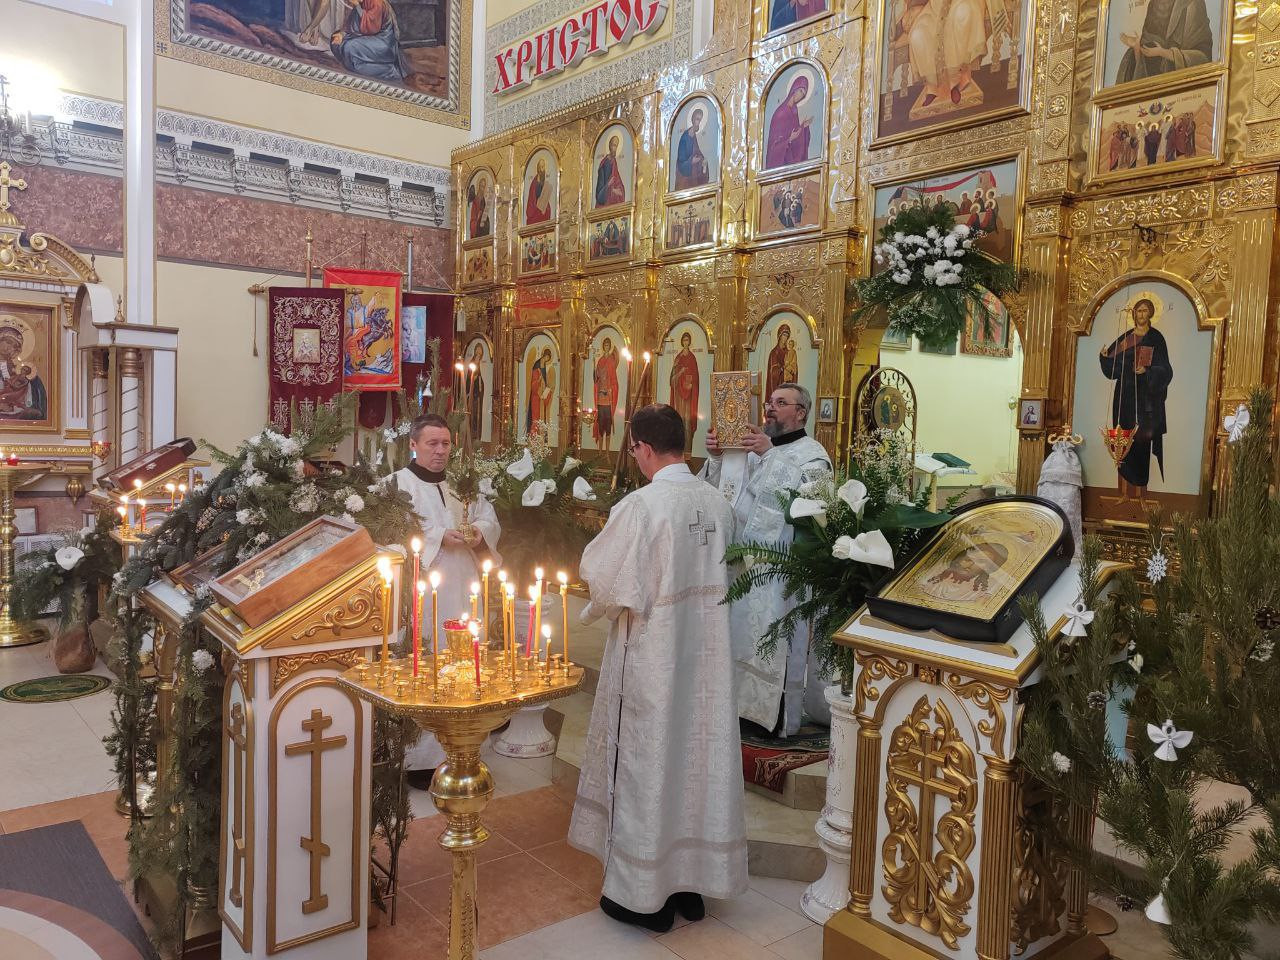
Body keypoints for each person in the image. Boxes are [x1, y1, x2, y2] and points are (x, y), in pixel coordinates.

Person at [570, 404, 747, 932]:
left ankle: (642, 895)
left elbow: (603, 577)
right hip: (707, 660)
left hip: (654, 658)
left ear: (643, 448)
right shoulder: (718, 504)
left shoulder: (641, 506)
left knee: (650, 764)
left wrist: (598, 603)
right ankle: (692, 887)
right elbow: (736, 572)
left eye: (633, 449)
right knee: (698, 761)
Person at [700, 383, 833, 735]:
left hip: (780, 573)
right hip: (739, 567)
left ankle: (772, 719)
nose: (770, 408)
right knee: (738, 635)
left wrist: (770, 455)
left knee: (773, 640)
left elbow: (816, 508)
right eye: (770, 402)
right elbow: (724, 497)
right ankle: (736, 707)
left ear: (800, 412)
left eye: (781, 402)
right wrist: (718, 458)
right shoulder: (754, 449)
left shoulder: (813, 456)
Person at [395, 414, 501, 784]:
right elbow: (394, 531)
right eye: (432, 443)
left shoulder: (462, 483)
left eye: (445, 443)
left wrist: (480, 533)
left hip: (465, 584)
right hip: (426, 590)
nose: (440, 451)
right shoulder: (398, 484)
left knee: (465, 660)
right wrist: (439, 536)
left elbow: (489, 519)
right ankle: (421, 759)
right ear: (413, 444)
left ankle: (463, 748)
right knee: (427, 661)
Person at [1099, 297, 1173, 506]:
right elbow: (1113, 369)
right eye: (1138, 311)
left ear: (1150, 314)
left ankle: (1141, 496)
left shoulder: (1156, 338)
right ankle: (1123, 493)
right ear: (1134, 314)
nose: (1141, 314)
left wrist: (1147, 371)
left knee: (1141, 444)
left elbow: (1166, 370)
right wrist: (1104, 358)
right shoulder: (1126, 338)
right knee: (1122, 442)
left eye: (1145, 310)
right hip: (1124, 399)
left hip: (1145, 402)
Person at [1114, 0, 1214, 86]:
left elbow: (1203, 57)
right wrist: (1137, 47)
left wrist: (1164, 53)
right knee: (1130, 57)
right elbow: (1147, 55)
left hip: (1180, 84)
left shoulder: (1192, 4)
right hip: (1155, 83)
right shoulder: (1154, 4)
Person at [329, 0, 408, 83]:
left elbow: (372, 29)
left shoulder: (376, 2)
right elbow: (352, 27)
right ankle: (356, 66)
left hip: (382, 43)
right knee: (336, 43)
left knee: (348, 47)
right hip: (365, 39)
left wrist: (357, 6)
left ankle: (389, 71)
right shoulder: (362, 3)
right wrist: (342, 34)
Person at [765, 75, 813, 169]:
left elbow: (795, 135)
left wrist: (803, 127)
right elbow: (773, 147)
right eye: (801, 91)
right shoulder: (781, 113)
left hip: (790, 159)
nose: (801, 96)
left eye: (803, 95)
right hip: (780, 163)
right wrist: (789, 139)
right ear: (794, 88)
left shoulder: (794, 111)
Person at [668, 331, 700, 454]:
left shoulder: (692, 358)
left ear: (689, 342)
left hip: (689, 397)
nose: (686, 342)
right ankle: (677, 450)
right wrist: (680, 372)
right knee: (679, 421)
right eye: (684, 340)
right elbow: (672, 380)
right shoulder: (678, 358)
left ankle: (687, 451)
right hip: (679, 397)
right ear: (682, 341)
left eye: (687, 340)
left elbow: (696, 378)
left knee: (687, 421)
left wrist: (692, 384)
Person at [592, 337, 620, 446]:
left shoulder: (611, 361)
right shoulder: (600, 361)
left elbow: (614, 379)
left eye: (608, 345)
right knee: (600, 423)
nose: (606, 347)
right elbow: (596, 379)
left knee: (608, 425)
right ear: (603, 347)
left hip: (608, 398)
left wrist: (611, 389)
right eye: (605, 345)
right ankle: (599, 452)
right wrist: (594, 368)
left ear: (610, 347)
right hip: (600, 397)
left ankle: (607, 453)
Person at [674, 108, 710, 190]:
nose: (699, 123)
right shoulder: (685, 138)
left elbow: (697, 153)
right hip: (684, 181)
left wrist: (703, 163)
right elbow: (681, 163)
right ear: (693, 119)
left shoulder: (694, 137)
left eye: (700, 120)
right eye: (697, 119)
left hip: (694, 178)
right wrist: (691, 161)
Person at [595, 135, 628, 208]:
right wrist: (611, 188)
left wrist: (619, 191)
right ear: (609, 146)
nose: (615, 149)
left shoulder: (613, 162)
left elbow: (617, 182)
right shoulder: (604, 164)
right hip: (603, 208)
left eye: (616, 146)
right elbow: (599, 196)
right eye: (613, 145)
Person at [526, 156, 553, 225]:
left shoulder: (544, 179)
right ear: (538, 168)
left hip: (543, 204)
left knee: (547, 210)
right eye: (540, 167)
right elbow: (533, 196)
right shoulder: (534, 182)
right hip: (535, 205)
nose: (542, 169)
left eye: (543, 167)